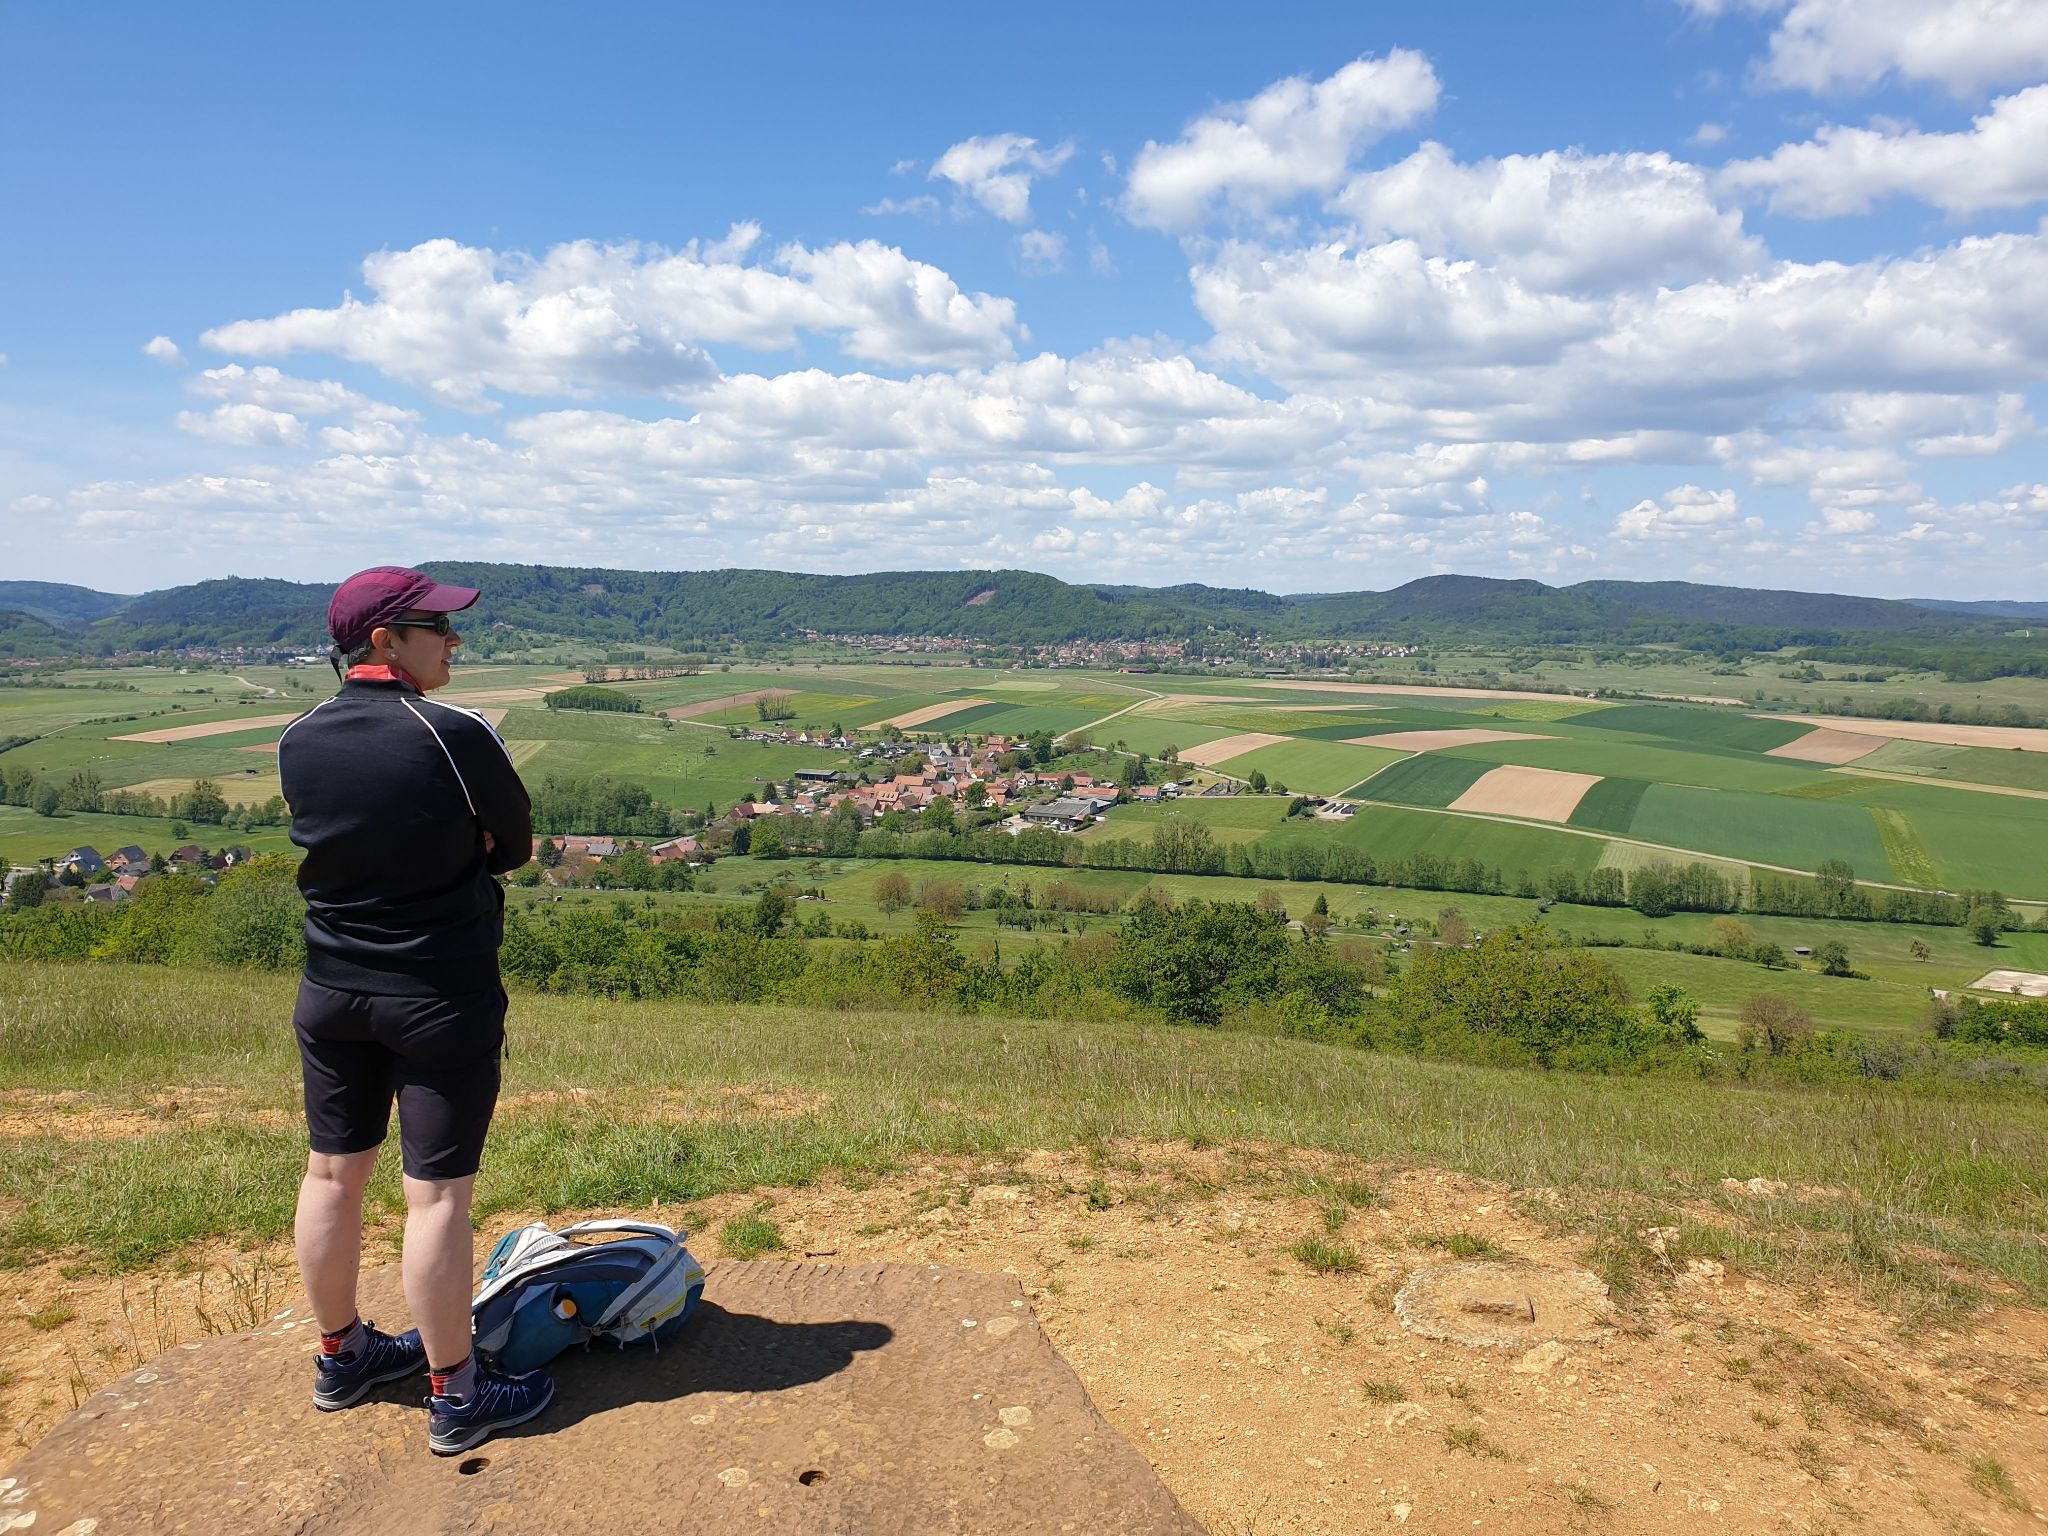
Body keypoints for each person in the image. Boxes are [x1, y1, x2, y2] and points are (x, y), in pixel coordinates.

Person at [277, 565, 553, 1456]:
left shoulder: (297, 737)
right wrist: (466, 846)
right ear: (385, 640)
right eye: (437, 626)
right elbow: (513, 846)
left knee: (331, 1175)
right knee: (436, 1196)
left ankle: (343, 1356)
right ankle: (459, 1394)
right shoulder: (453, 733)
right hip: (438, 994)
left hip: (330, 992)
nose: (454, 639)